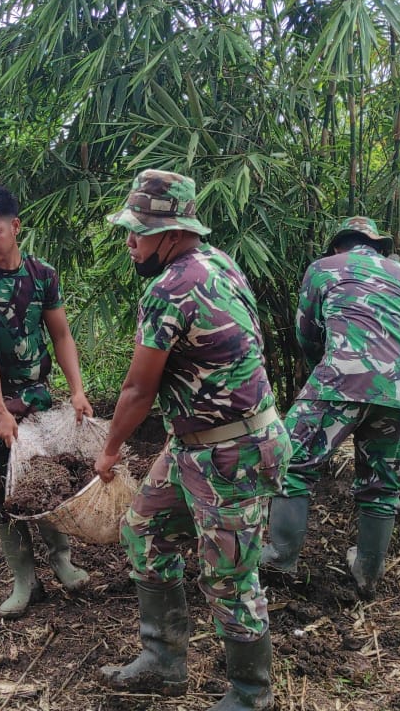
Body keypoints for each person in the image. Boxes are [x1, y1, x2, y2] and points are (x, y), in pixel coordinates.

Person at [94, 169, 290, 711]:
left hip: (232, 450)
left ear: (174, 232)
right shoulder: (222, 263)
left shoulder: (170, 287)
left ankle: (252, 695)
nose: (130, 242)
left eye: (138, 231)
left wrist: (109, 451)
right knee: (144, 529)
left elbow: (137, 389)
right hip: (195, 444)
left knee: (229, 573)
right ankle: (163, 662)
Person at [259, 216, 400, 601]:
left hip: (339, 379)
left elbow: (306, 332)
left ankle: (281, 557)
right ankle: (368, 571)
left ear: (339, 246)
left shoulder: (322, 269)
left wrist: (327, 364)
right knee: (382, 483)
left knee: (290, 462)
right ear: (379, 247)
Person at [0, 184, 94, 618]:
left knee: (47, 480)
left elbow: (61, 334)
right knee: (0, 492)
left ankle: (62, 560)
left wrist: (77, 389)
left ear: (15, 226)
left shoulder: (42, 274)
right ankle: (23, 580)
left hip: (38, 398)